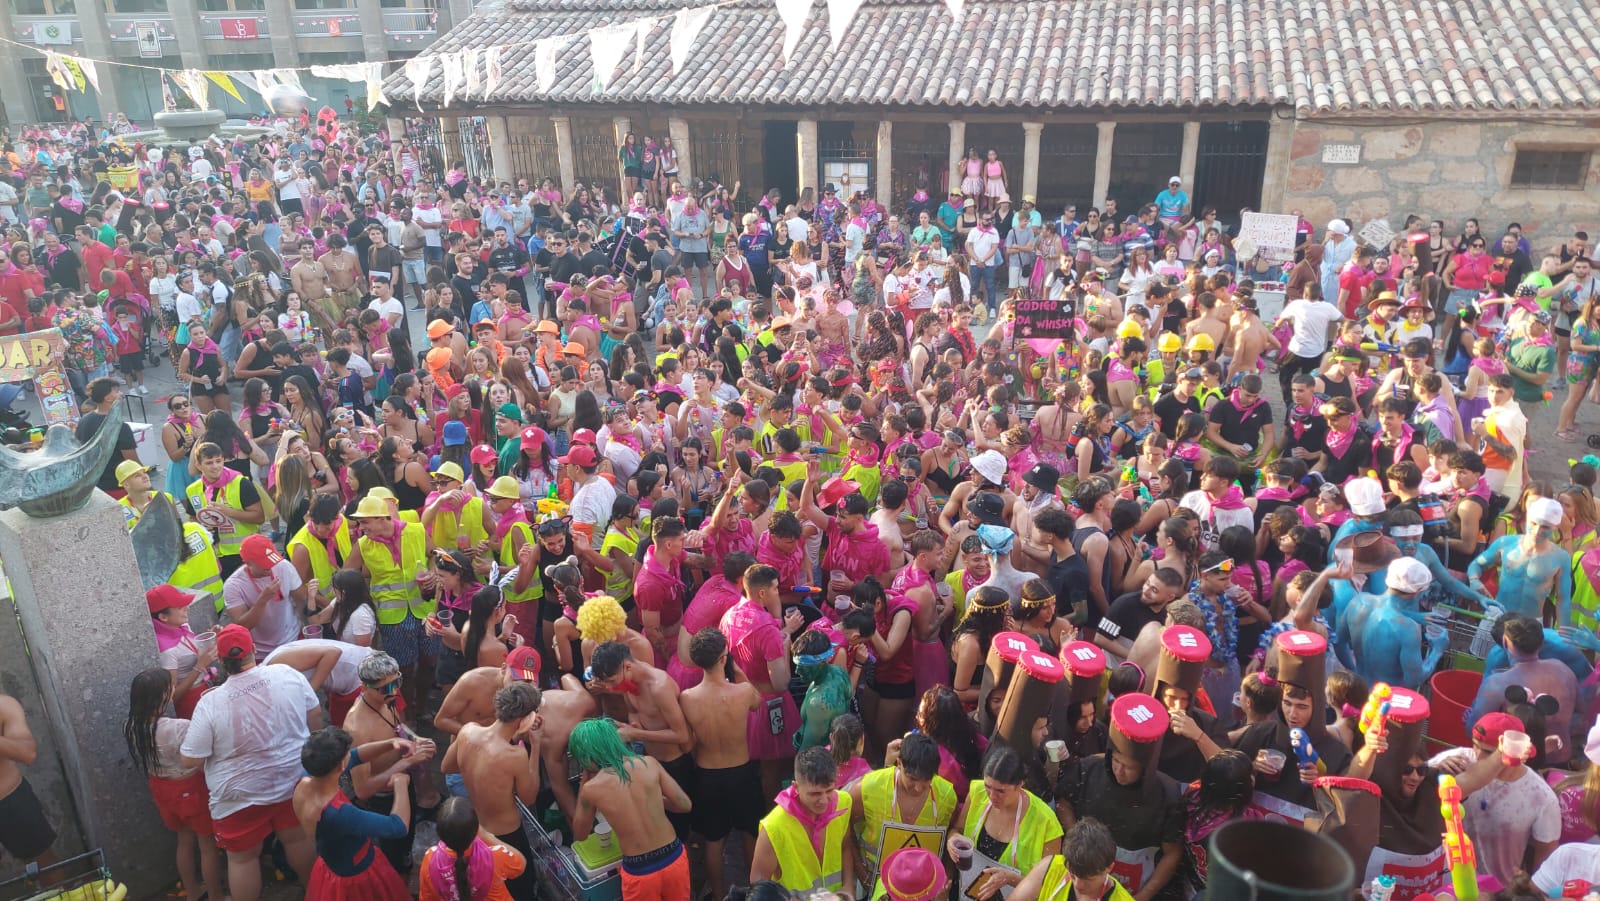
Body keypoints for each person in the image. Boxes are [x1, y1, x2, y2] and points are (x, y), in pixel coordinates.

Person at [178, 624, 320, 901]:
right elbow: (314, 716)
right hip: (292, 780)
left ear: (221, 661)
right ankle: (315, 893)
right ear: (253, 649)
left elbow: (190, 758)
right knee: (298, 839)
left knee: (242, 859)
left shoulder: (211, 703)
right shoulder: (286, 674)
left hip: (239, 797)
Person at [1055, 694, 1182, 900]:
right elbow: (1063, 802)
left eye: (1129, 767)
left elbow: (1173, 853)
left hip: (1136, 882)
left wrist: (1143, 896)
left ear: (1145, 768)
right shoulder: (1088, 770)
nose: (1119, 771)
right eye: (1115, 761)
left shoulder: (1167, 795)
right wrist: (1075, 838)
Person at [568, 717, 693, 901]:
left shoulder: (591, 789)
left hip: (640, 871)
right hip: (673, 858)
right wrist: (653, 800)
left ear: (586, 755)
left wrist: (583, 783)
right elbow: (684, 805)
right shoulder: (648, 763)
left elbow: (580, 834)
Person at [680, 628, 764, 901]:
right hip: (742, 773)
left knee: (713, 840)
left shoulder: (687, 698)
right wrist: (738, 672)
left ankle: (718, 895)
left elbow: (688, 741)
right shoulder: (743, 691)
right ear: (723, 658)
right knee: (750, 832)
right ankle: (754, 891)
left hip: (707, 776)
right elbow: (757, 702)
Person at [440, 681, 543, 901]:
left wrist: (479, 770)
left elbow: (446, 766)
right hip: (508, 836)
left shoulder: (467, 731)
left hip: (478, 831)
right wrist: (535, 747)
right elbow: (529, 797)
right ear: (526, 719)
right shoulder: (515, 756)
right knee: (521, 891)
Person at [1429, 711, 1559, 886]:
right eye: (1475, 746)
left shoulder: (1541, 796)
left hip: (1495, 891)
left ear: (1516, 753)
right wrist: (1433, 772)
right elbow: (1412, 791)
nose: (1477, 755)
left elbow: (1546, 859)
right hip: (1442, 884)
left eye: (1488, 752)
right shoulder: (1454, 762)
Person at [292, 726, 415, 901]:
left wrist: (390, 743)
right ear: (340, 766)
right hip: (357, 879)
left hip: (330, 867)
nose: (351, 755)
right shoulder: (339, 813)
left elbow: (355, 756)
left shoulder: (306, 780)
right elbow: (398, 826)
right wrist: (400, 783)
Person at [848, 731, 956, 895]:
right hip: (874, 882)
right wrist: (862, 873)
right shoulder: (868, 788)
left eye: (927, 780)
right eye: (912, 779)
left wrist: (947, 875)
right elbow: (844, 828)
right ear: (899, 763)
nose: (918, 788)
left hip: (922, 887)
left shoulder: (947, 796)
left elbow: (952, 835)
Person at [1467, 615, 1579, 766]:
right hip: (1561, 760)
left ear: (1505, 641)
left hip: (1518, 763)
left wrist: (1468, 719)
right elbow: (1582, 715)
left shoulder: (1497, 683)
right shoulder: (1564, 670)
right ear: (1541, 643)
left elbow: (1475, 729)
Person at [752, 746, 856, 895]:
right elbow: (758, 888)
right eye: (815, 794)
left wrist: (848, 885)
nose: (824, 800)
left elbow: (845, 846)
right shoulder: (774, 828)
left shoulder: (844, 802)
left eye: (829, 791)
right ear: (796, 787)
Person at [1471, 497, 1575, 624]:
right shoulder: (1506, 543)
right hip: (1497, 614)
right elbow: (1477, 564)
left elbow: (1563, 599)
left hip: (1529, 623)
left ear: (1555, 527)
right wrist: (1474, 580)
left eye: (1545, 527)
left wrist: (1564, 631)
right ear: (1527, 518)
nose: (1537, 531)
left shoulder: (1561, 558)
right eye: (1533, 523)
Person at [417, 796, 528, 901]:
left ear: (440, 833)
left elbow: (427, 897)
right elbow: (520, 865)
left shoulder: (430, 860)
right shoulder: (494, 857)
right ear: (475, 829)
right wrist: (485, 835)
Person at [1011, 818, 1138, 901]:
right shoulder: (1050, 867)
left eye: (1088, 879)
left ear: (1109, 868)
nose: (1078, 885)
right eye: (1072, 875)